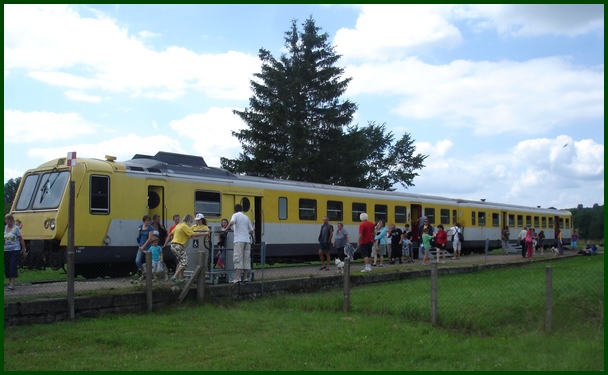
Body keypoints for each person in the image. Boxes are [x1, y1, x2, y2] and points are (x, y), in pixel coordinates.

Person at [169, 214, 208, 283]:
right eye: (196, 220)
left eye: (199, 220)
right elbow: (192, 234)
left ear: (202, 220)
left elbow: (207, 235)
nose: (197, 222)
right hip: (182, 246)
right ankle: (175, 276)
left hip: (200, 248)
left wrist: (165, 244)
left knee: (181, 262)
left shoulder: (205, 227)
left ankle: (181, 278)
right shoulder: (188, 226)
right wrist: (203, 233)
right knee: (184, 263)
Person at [223, 204, 255, 284]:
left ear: (235, 209)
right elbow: (251, 230)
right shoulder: (246, 217)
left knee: (238, 257)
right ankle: (245, 278)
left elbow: (232, 222)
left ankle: (238, 278)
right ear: (242, 209)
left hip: (238, 240)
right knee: (246, 258)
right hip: (247, 240)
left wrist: (225, 229)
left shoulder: (235, 215)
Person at [4, 214, 26, 291]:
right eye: (7, 219)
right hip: (6, 250)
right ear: (5, 220)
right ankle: (11, 283)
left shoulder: (16, 228)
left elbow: (21, 239)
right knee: (7, 267)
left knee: (12, 265)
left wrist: (24, 249)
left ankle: (12, 283)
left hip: (15, 250)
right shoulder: (4, 229)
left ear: (13, 220)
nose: (9, 221)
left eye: (10, 219)